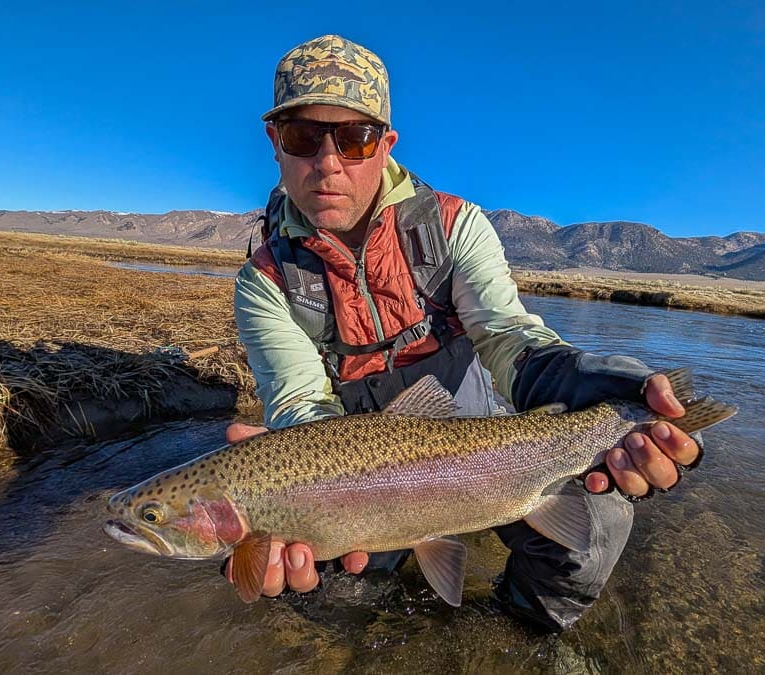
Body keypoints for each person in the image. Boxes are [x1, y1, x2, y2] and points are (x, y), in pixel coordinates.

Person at [230, 34, 701, 632]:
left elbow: (506, 335)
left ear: (385, 145)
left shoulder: (455, 227)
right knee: (318, 578)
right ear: (276, 143)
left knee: (598, 520)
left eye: (354, 138)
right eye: (304, 136)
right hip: (353, 456)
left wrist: (576, 379)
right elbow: (300, 406)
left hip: (476, 433)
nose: (328, 161)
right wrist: (299, 494)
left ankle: (521, 629)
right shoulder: (264, 282)